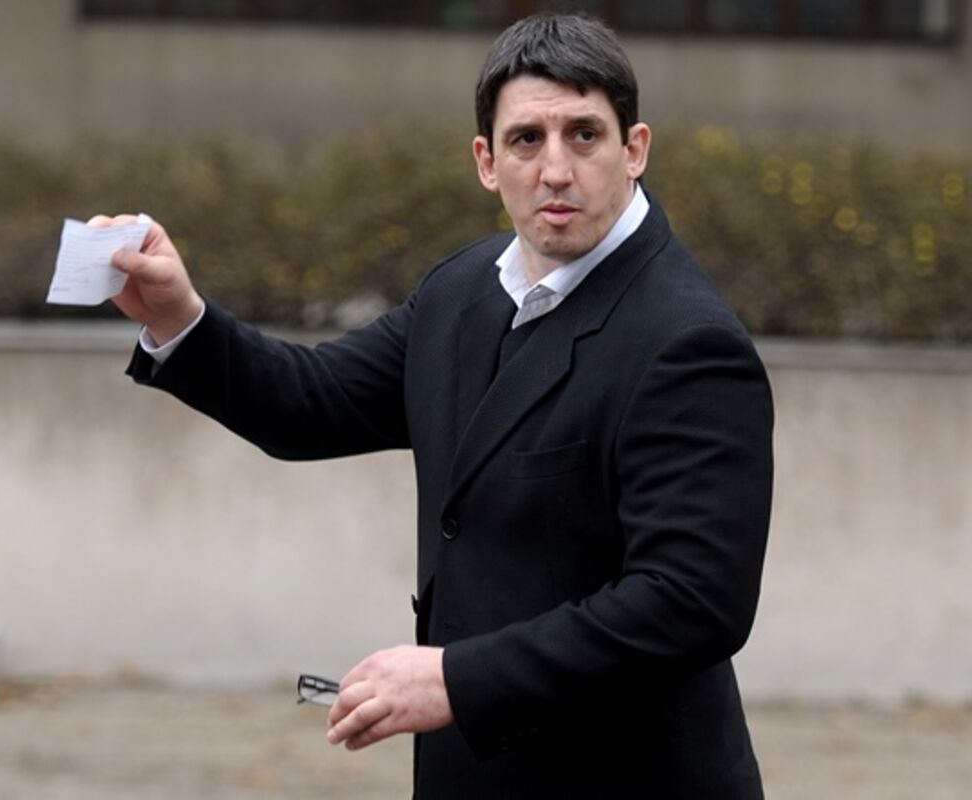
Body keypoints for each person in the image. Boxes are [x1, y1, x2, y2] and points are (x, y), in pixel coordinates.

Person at [93, 12, 773, 798]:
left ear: (635, 149)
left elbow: (691, 603)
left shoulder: (689, 342)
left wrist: (456, 679)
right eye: (527, 140)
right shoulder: (463, 289)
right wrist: (179, 317)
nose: (556, 169)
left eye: (584, 135)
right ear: (486, 161)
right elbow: (312, 401)